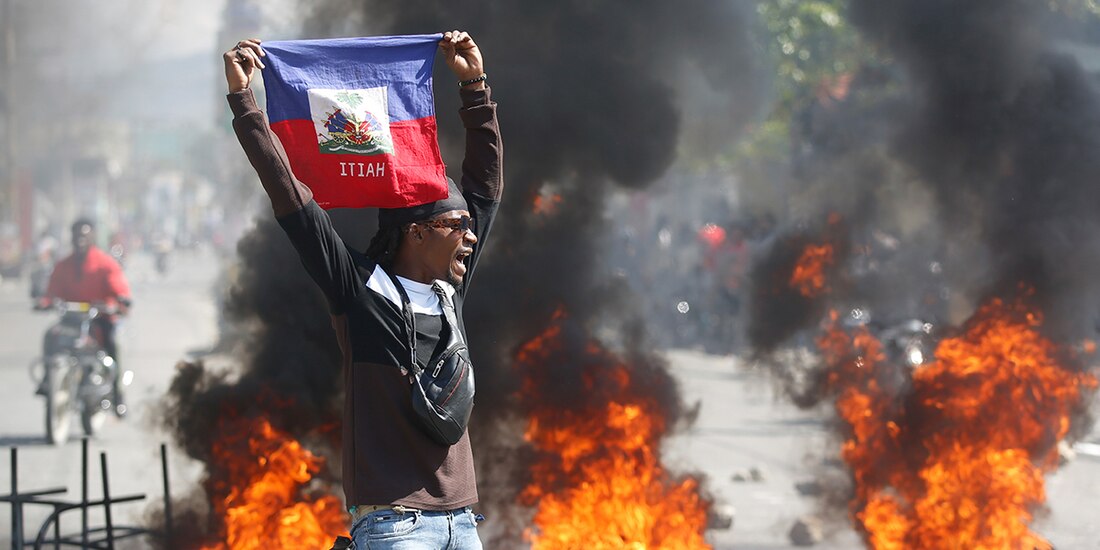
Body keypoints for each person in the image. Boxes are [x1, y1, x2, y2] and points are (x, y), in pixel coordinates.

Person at [225, 30, 502, 550]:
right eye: (456, 226)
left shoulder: (449, 295)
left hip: (463, 524)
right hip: (396, 528)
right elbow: (293, 199)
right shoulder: (359, 290)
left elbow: (485, 191)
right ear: (416, 233)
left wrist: (475, 88)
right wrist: (245, 103)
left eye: (469, 227)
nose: (471, 236)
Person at [38, 218, 133, 416]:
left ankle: (118, 396)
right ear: (71, 238)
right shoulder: (63, 265)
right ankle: (48, 381)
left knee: (113, 344)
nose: (80, 239)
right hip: (72, 319)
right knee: (50, 336)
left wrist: (120, 302)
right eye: (76, 235)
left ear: (93, 237)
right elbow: (52, 292)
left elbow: (119, 289)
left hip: (99, 319)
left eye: (84, 235)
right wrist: (45, 302)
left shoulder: (105, 264)